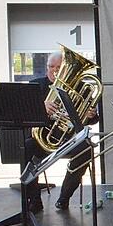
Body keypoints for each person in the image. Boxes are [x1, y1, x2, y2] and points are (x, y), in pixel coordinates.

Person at [25, 50, 99, 212]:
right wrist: (41, 107)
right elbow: (25, 113)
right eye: (51, 66)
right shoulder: (35, 86)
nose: (54, 71)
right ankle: (34, 200)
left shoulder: (81, 88)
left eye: (59, 67)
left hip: (70, 139)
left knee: (86, 150)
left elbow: (94, 119)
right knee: (27, 148)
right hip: (44, 138)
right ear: (46, 68)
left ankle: (64, 198)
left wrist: (90, 114)